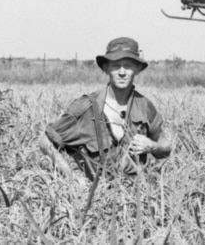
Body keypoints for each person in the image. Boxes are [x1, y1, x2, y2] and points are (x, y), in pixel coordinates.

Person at [39, 37, 171, 185]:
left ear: (137, 69)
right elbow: (45, 141)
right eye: (116, 66)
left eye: (128, 66)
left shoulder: (144, 105)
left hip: (135, 196)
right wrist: (70, 177)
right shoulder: (85, 106)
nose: (122, 72)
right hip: (97, 197)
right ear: (106, 69)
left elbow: (165, 147)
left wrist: (153, 146)